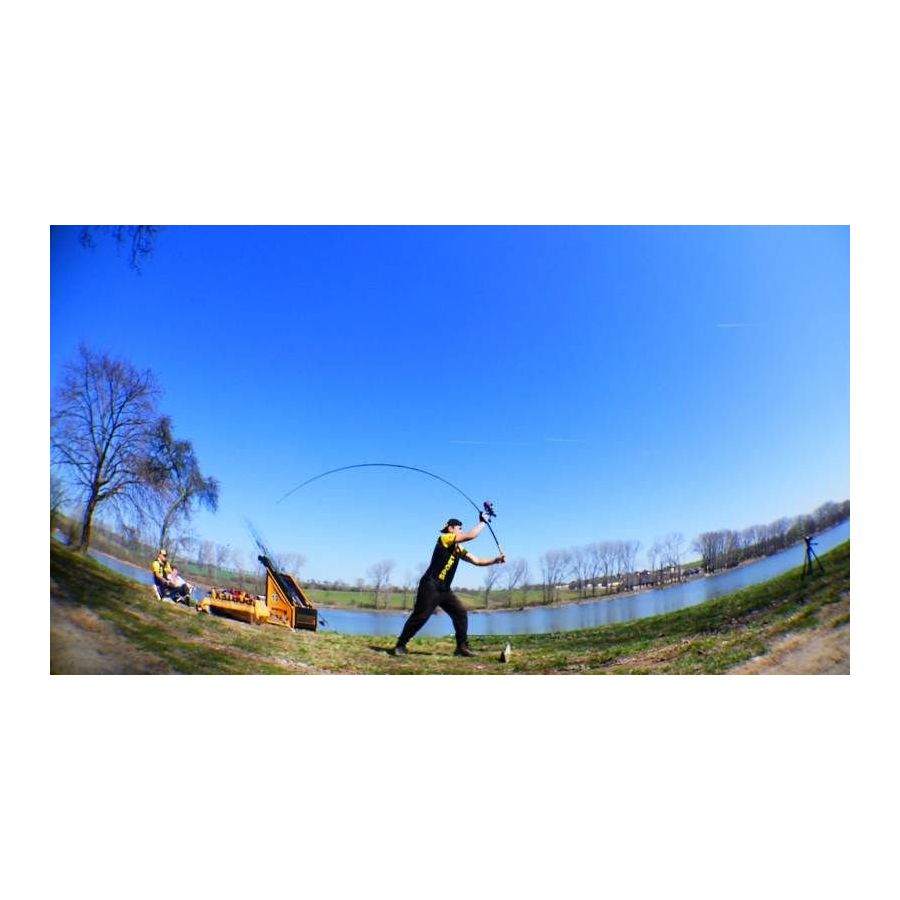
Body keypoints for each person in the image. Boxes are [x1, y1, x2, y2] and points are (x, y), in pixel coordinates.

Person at [393, 512, 506, 657]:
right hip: (430, 586)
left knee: (460, 613)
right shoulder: (445, 538)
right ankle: (400, 645)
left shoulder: (458, 549)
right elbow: (471, 536)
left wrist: (496, 560)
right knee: (421, 616)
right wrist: (483, 522)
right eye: (459, 528)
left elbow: (477, 561)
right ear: (451, 528)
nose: (462, 531)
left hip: (444, 589)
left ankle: (462, 647)